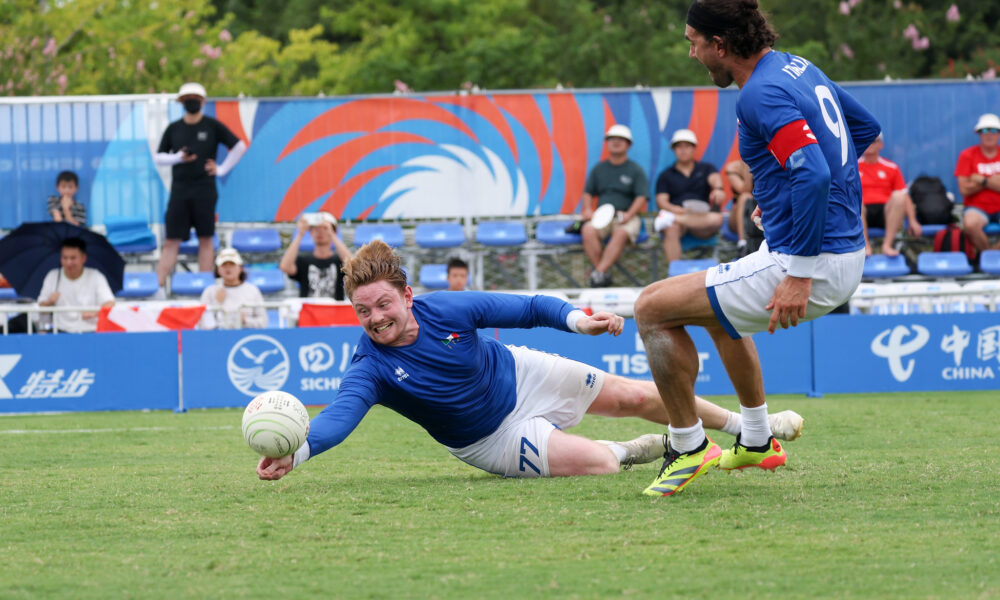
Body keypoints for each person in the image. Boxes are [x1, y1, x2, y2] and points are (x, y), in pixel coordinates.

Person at [257, 240, 804, 482]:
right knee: (602, 464)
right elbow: (338, 418)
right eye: (362, 310)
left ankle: (751, 429)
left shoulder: (446, 307)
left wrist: (578, 321)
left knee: (640, 395)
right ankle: (654, 448)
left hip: (523, 374)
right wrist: (298, 452)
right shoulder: (369, 366)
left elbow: (525, 307)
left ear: (405, 293)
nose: (375, 318)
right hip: (488, 441)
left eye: (382, 304)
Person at [633, 0, 879, 497]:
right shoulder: (797, 67)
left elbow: (812, 172)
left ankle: (687, 447)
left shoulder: (759, 94)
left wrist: (801, 270)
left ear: (719, 45)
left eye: (694, 43)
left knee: (651, 309)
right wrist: (787, 203)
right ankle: (758, 439)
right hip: (839, 252)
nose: (691, 53)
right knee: (715, 313)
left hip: (811, 260)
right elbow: (864, 129)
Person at [154, 82, 247, 290]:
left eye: (195, 99)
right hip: (179, 191)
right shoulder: (174, 128)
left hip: (205, 190)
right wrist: (179, 157)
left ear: (203, 102)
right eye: (187, 99)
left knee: (205, 239)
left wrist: (221, 169)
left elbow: (239, 146)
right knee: (171, 240)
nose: (191, 103)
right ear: (181, 102)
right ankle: (157, 289)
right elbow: (159, 157)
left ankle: (206, 289)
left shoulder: (212, 126)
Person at [579, 124, 649, 287]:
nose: (616, 142)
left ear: (628, 144)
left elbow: (641, 197)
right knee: (588, 230)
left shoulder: (635, 170)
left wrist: (629, 214)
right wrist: (588, 209)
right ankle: (601, 274)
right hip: (602, 216)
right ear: (607, 143)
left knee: (620, 233)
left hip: (626, 215)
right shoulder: (599, 169)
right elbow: (588, 192)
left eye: (621, 139)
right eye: (612, 139)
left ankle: (598, 274)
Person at [653, 129, 726, 264]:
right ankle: (675, 277)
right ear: (674, 150)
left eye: (687, 146)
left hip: (701, 221)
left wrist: (718, 189)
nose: (683, 150)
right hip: (678, 217)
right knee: (671, 229)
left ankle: (674, 218)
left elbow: (715, 179)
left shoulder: (706, 168)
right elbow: (661, 201)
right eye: (679, 147)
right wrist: (674, 209)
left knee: (717, 219)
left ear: (694, 149)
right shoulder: (665, 175)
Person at [859, 133, 921, 257]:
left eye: (874, 141)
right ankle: (865, 246)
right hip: (862, 213)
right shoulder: (852, 167)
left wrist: (913, 221)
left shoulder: (891, 167)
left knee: (899, 196)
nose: (870, 144)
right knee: (854, 200)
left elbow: (904, 196)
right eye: (866, 140)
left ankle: (887, 245)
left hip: (887, 213)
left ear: (880, 145)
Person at [36, 237, 115, 333]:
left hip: (89, 332)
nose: (68, 262)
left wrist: (94, 313)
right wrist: (49, 302)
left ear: (83, 258)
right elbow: (42, 308)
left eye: (73, 258)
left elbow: (109, 303)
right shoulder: (53, 276)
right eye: (65, 258)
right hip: (60, 332)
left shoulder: (95, 276)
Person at [280, 212, 354, 299]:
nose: (320, 232)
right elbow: (285, 267)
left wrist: (333, 235)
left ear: (334, 231)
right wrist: (300, 234)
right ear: (310, 232)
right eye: (315, 229)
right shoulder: (303, 261)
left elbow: (354, 267)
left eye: (325, 228)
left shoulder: (340, 261)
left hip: (334, 311)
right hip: (309, 311)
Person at [955, 113, 1000, 252]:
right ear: (978, 134)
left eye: (993, 130)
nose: (989, 135)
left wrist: (981, 179)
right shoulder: (967, 155)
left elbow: (971, 185)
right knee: (970, 224)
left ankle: (994, 257)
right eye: (984, 130)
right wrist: (993, 181)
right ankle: (990, 256)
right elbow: (964, 189)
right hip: (976, 207)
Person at [198, 248, 267, 330]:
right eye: (224, 265)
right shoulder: (209, 291)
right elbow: (204, 324)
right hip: (219, 337)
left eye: (232, 264)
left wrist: (245, 321)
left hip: (246, 335)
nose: (228, 268)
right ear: (218, 270)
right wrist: (217, 304)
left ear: (240, 268)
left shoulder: (252, 290)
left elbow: (263, 322)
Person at [724, 159, 763, 254]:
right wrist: (747, 170)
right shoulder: (733, 168)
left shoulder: (765, 163)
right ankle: (743, 243)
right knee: (745, 197)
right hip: (739, 216)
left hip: (761, 211)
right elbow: (745, 189)